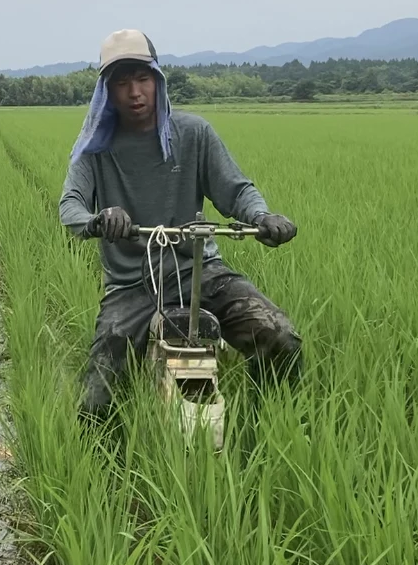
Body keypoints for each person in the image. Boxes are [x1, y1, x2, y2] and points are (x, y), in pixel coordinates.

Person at [59, 29, 302, 416]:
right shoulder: (95, 148)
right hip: (132, 286)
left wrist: (261, 216)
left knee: (279, 336)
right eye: (121, 82)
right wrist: (98, 220)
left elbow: (236, 191)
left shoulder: (192, 133)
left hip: (202, 270)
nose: (134, 92)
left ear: (157, 80)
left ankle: (267, 420)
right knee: (98, 394)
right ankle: (101, 460)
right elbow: (70, 206)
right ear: (107, 90)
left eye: (142, 79)